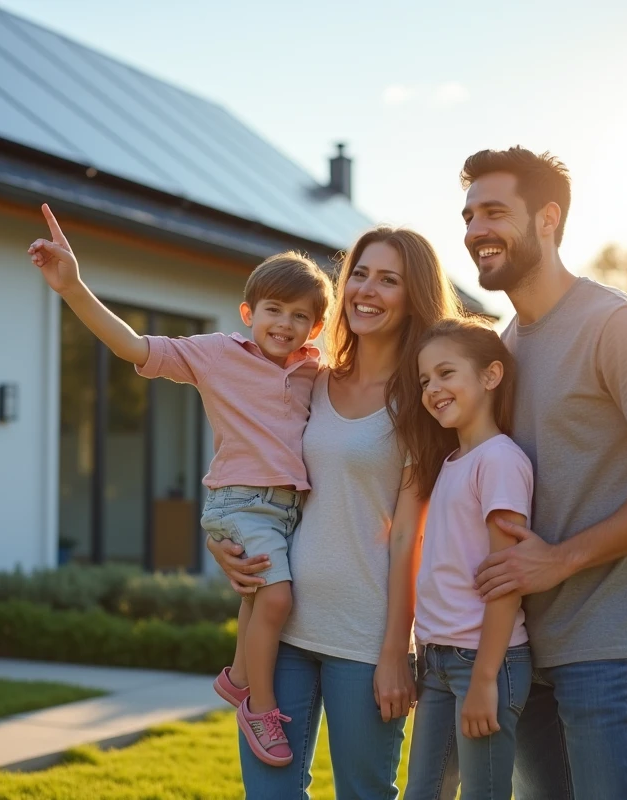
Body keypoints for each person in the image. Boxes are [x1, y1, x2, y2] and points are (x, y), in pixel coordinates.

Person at [27, 203, 333, 767]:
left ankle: (238, 677)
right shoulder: (217, 354)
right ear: (248, 312)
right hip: (240, 502)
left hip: (288, 508)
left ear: (315, 328)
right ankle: (259, 708)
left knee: (259, 596)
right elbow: (132, 346)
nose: (284, 324)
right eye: (273, 310)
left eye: (299, 316)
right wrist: (73, 288)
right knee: (277, 598)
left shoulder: (316, 371)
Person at [458, 147, 627, 799]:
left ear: (548, 219)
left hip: (608, 641)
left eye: (494, 212)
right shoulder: (505, 348)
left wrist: (561, 560)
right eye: (468, 216)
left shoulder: (618, 327)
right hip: (524, 645)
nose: (475, 230)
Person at [208, 226, 463, 799]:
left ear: (415, 296)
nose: (367, 290)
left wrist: (395, 650)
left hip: (364, 640)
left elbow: (409, 537)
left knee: (364, 793)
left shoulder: (421, 403)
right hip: (283, 631)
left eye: (389, 280)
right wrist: (222, 536)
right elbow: (258, 476)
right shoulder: (309, 380)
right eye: (361, 274)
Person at [399, 318, 535, 800]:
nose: (432, 389)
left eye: (446, 373)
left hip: (483, 661)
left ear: (490, 375)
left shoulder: (499, 461)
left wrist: (484, 679)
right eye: (424, 381)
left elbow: (508, 577)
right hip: (437, 659)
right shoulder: (452, 463)